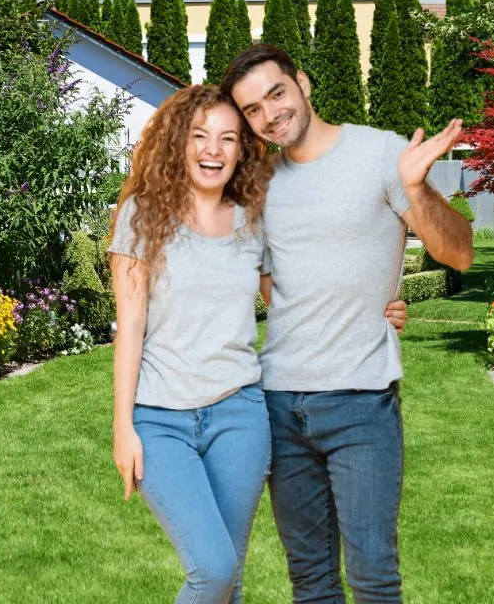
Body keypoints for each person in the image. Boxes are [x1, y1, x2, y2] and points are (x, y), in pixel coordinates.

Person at [109, 84, 408, 604]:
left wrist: (376, 303)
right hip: (159, 419)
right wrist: (123, 429)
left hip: (241, 417)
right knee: (213, 569)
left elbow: (298, 293)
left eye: (228, 138)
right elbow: (130, 325)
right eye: (200, 136)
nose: (213, 149)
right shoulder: (142, 215)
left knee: (233, 576)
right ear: (179, 142)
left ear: (242, 151)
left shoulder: (252, 221)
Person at [220, 44, 475, 604]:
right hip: (280, 405)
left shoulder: (382, 154)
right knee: (309, 580)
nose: (269, 114)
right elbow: (275, 287)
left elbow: (459, 254)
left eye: (276, 94)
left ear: (303, 85)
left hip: (363, 403)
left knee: (373, 576)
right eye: (253, 110)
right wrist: (361, 295)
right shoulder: (259, 186)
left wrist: (415, 188)